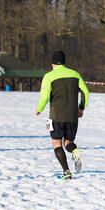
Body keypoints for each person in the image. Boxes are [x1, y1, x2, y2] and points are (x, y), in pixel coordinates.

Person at [36, 50, 89, 180]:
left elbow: (44, 96)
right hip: (72, 116)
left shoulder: (49, 76)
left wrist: (39, 108)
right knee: (68, 142)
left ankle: (66, 172)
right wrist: (81, 108)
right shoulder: (75, 74)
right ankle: (74, 151)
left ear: (52, 62)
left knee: (57, 144)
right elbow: (85, 92)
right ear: (64, 62)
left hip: (56, 116)